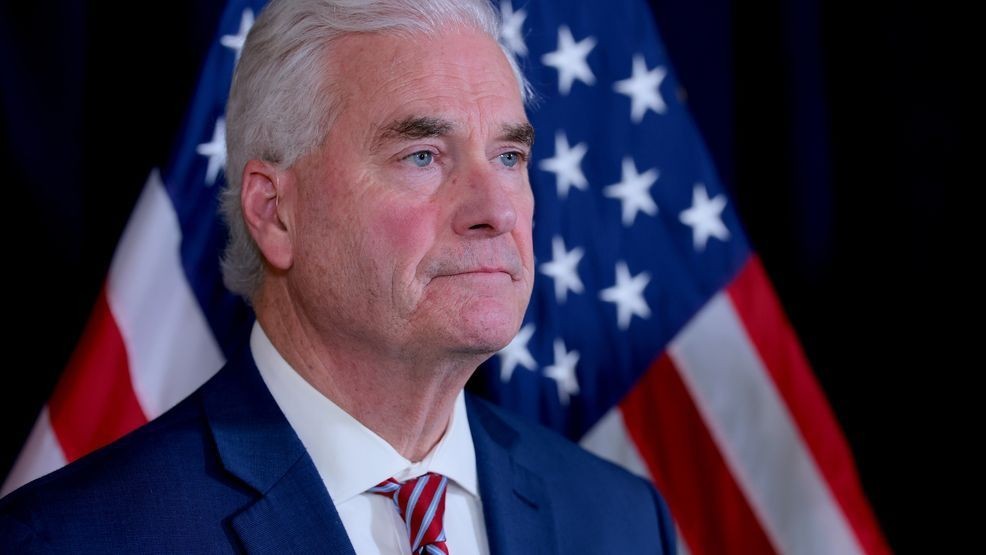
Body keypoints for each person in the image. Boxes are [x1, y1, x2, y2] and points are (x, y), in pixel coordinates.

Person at [0, 0, 676, 552]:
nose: (496, 211)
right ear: (275, 214)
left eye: (508, 156)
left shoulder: (621, 520)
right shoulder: (73, 540)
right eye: (422, 155)